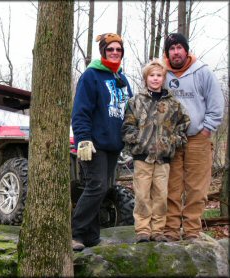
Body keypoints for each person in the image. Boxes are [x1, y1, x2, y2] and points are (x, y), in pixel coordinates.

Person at [71, 33, 133, 251]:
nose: (115, 53)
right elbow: (80, 111)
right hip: (94, 143)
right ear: (103, 51)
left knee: (104, 188)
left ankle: (92, 235)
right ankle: (76, 233)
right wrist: (83, 139)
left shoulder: (122, 79)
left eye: (118, 50)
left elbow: (129, 112)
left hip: (114, 145)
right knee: (95, 186)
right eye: (110, 49)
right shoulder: (91, 76)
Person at [162, 33, 224, 241]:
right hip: (171, 139)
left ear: (186, 50)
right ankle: (170, 230)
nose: (176, 52)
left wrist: (207, 129)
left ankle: (192, 231)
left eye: (180, 47)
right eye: (172, 48)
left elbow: (216, 104)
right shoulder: (161, 73)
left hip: (197, 137)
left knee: (197, 188)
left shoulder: (202, 72)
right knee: (172, 187)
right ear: (167, 52)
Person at [121, 59, 190, 243]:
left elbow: (184, 125)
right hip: (142, 158)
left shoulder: (172, 103)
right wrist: (138, 142)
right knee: (142, 194)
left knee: (160, 195)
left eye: (159, 75)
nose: (155, 79)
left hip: (163, 159)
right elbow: (127, 126)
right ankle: (143, 230)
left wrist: (172, 142)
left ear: (163, 78)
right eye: (152, 75)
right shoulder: (136, 101)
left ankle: (158, 230)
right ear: (146, 78)